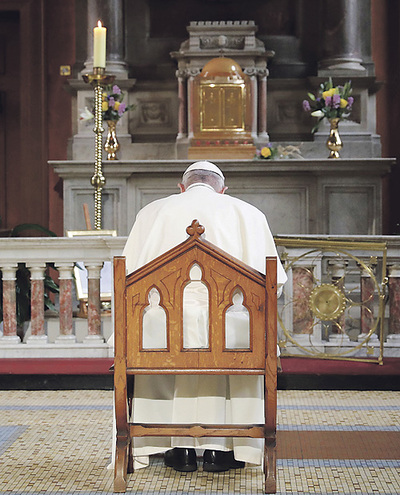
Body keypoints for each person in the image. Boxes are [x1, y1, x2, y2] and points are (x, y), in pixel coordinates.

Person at [116, 161, 287, 473]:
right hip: (232, 339)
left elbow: (125, 281)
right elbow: (273, 288)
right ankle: (224, 451)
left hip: (162, 337)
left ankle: (175, 448)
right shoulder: (248, 214)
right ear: (222, 190)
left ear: (181, 188)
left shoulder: (152, 212)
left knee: (155, 324)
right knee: (240, 325)